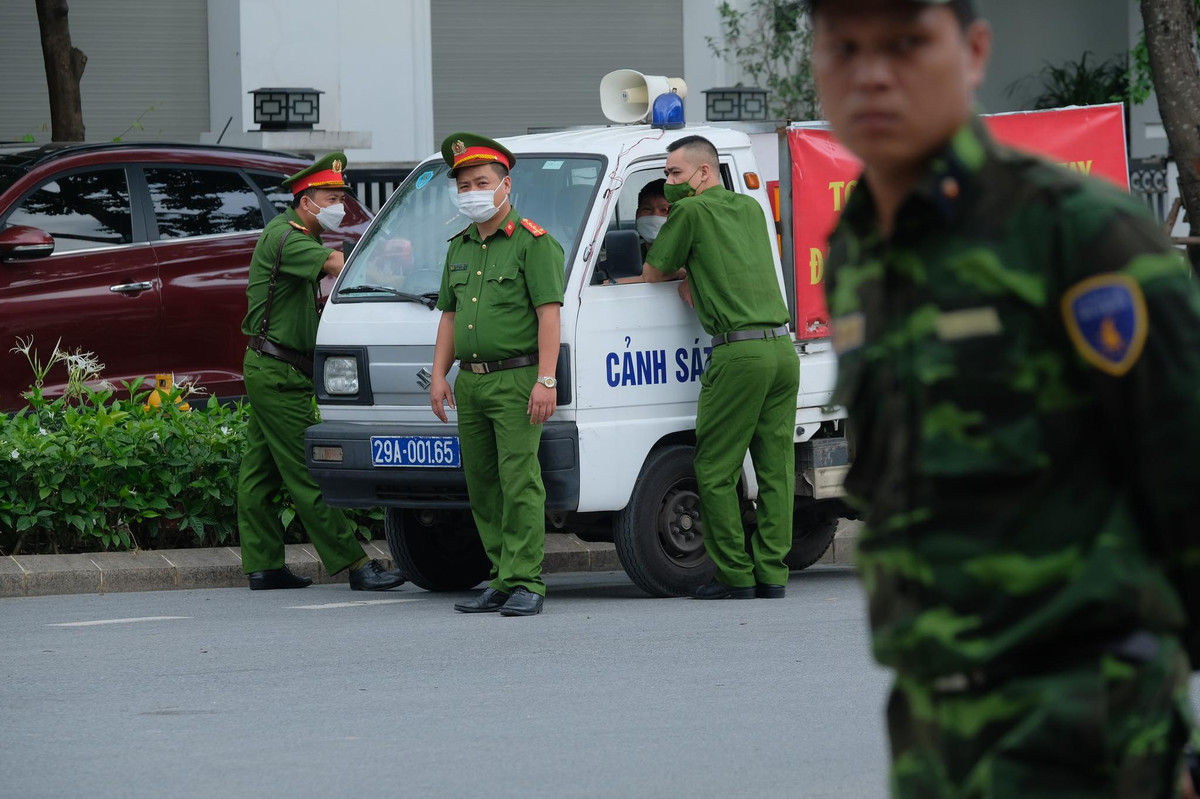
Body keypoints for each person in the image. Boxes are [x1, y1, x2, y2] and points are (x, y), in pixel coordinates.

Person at [809, 0, 1200, 796]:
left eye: (908, 43)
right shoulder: (858, 250)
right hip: (932, 731)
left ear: (975, 50)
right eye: (844, 47)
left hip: (1090, 732)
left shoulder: (1082, 236)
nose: (873, 74)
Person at [638, 135, 799, 600]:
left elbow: (653, 271)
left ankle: (735, 574)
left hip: (739, 355)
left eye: (674, 174)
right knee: (775, 470)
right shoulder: (749, 209)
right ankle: (772, 573)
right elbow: (735, 262)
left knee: (713, 468)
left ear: (705, 172)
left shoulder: (689, 212)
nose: (668, 185)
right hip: (780, 351)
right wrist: (700, 274)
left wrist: (687, 275)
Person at [238, 152, 406, 592]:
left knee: (260, 474)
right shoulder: (289, 239)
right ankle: (353, 564)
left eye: (341, 198)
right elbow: (338, 267)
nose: (339, 208)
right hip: (278, 372)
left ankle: (263, 565)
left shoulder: (290, 236)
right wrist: (393, 264)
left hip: (273, 366)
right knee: (307, 472)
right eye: (332, 198)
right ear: (306, 199)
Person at [429, 132, 565, 617]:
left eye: (481, 182)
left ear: (505, 184)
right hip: (472, 381)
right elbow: (448, 315)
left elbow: (549, 314)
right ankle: (502, 576)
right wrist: (440, 375)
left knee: (519, 481)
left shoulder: (533, 243)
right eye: (463, 185)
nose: (471, 192)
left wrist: (546, 380)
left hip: (517, 379)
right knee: (482, 483)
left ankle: (527, 579)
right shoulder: (459, 246)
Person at [635, 178, 670, 257]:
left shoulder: (693, 259)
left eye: (664, 210)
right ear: (637, 215)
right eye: (647, 209)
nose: (655, 216)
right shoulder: (629, 256)